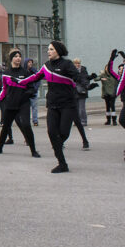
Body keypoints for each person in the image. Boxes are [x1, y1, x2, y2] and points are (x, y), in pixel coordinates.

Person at [19, 41, 82, 173]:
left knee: (63, 133)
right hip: (52, 104)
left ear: (58, 51)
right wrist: (19, 82)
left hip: (68, 104)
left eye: (51, 49)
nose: (48, 51)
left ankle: (58, 146)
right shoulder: (46, 66)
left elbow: (78, 77)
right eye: (48, 49)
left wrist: (85, 82)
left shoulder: (67, 64)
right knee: (52, 132)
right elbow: (35, 77)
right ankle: (62, 163)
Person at [0, 49, 40, 157]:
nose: (18, 58)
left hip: (23, 104)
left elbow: (32, 88)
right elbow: (3, 89)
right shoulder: (6, 73)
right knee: (6, 126)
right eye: (16, 56)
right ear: (11, 59)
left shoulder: (26, 72)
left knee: (26, 124)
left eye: (19, 56)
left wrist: (26, 94)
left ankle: (33, 150)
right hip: (10, 104)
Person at [70, 58, 94, 150]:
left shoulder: (83, 69)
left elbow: (86, 79)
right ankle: (77, 121)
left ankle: (83, 121)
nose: (77, 65)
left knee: (82, 108)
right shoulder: (71, 70)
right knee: (75, 108)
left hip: (82, 91)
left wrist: (86, 85)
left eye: (79, 63)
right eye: (76, 63)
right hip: (74, 91)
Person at [99, 61, 118, 125]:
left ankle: (114, 120)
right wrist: (101, 77)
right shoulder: (103, 75)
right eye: (107, 68)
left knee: (112, 106)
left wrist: (116, 92)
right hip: (106, 93)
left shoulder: (113, 75)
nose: (107, 69)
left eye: (109, 68)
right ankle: (108, 120)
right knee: (107, 107)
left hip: (112, 93)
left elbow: (117, 82)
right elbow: (96, 79)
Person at [25, 58, 40, 127]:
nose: (30, 63)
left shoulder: (34, 71)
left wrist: (35, 88)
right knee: (26, 107)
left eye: (31, 62)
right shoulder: (23, 71)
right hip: (26, 92)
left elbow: (38, 80)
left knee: (34, 107)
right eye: (29, 62)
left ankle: (35, 120)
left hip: (34, 91)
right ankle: (26, 120)